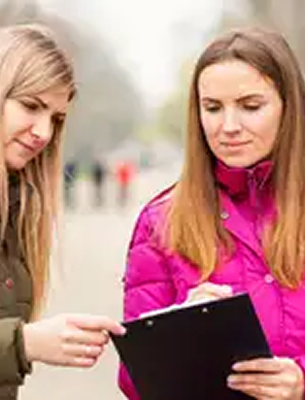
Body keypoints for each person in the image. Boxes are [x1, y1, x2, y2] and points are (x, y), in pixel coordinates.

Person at [119, 27, 305, 400]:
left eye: (251, 106)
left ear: (289, 107)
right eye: (213, 108)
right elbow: (133, 382)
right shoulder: (161, 221)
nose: (229, 127)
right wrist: (177, 328)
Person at [0, 24, 125, 400]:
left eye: (56, 118)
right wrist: (24, 343)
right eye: (31, 106)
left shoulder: (13, 210)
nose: (43, 132)